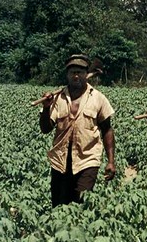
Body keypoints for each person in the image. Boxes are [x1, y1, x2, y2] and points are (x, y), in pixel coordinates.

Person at [39, 53, 116, 204]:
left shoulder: (98, 98)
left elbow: (107, 129)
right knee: (58, 206)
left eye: (80, 72)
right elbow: (45, 129)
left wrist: (111, 161)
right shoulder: (57, 99)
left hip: (87, 160)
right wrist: (46, 108)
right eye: (72, 72)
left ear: (86, 74)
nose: (76, 76)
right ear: (67, 75)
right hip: (60, 161)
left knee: (80, 205)